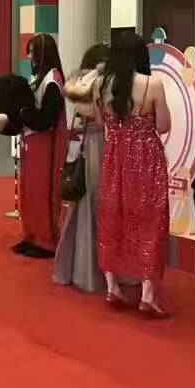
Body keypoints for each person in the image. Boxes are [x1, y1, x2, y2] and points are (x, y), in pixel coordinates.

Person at [93, 30, 171, 317]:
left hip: (114, 157)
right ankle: (147, 294)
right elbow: (163, 125)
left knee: (112, 216)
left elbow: (99, 121)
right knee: (150, 220)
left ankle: (112, 286)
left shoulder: (101, 84)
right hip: (146, 158)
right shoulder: (153, 84)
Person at [54, 43, 111, 293]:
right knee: (97, 204)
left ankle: (81, 267)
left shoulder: (80, 84)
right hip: (101, 145)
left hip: (90, 145)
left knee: (87, 205)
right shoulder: (97, 85)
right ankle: (99, 270)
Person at [13, 34, 66, 258]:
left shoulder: (52, 80)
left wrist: (25, 113)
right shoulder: (40, 77)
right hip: (32, 140)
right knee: (29, 191)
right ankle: (31, 235)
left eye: (33, 52)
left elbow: (47, 119)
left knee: (43, 192)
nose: (30, 57)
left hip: (45, 144)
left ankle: (45, 240)